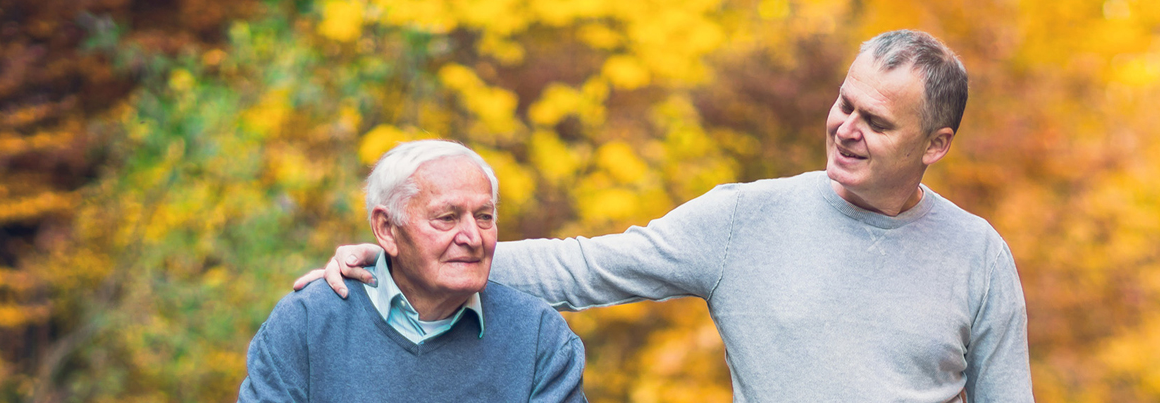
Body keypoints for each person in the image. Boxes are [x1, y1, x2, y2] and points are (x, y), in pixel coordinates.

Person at [295, 29, 1031, 401]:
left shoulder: (977, 252)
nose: (845, 126)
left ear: (936, 144)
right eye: (844, 103)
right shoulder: (747, 221)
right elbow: (584, 267)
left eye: (876, 121)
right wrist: (399, 259)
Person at [243, 140, 586, 402]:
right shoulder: (307, 321)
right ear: (387, 229)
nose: (473, 238)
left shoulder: (540, 336)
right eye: (447, 218)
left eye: (484, 216)